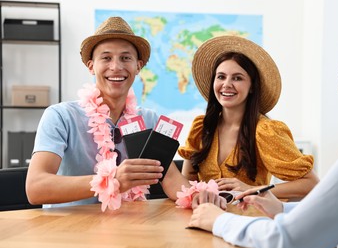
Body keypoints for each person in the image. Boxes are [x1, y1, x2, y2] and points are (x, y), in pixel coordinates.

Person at [188, 23, 338, 248]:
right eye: (221, 77)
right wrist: (283, 207)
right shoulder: (201, 127)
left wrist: (220, 220)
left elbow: (287, 242)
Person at [25, 16, 226, 211]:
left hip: (131, 231)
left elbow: (171, 179)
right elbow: (35, 188)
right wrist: (111, 180)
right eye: (106, 58)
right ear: (91, 66)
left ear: (138, 66)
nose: (116, 67)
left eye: (125, 58)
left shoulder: (150, 120)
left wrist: (198, 195)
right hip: (66, 232)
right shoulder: (60, 116)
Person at [178, 36, 319, 200]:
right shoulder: (202, 127)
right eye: (221, 77)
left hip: (251, 220)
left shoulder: (266, 131)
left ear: (252, 86)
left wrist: (254, 189)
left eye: (237, 78)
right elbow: (188, 182)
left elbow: (311, 183)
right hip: (207, 217)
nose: (227, 84)